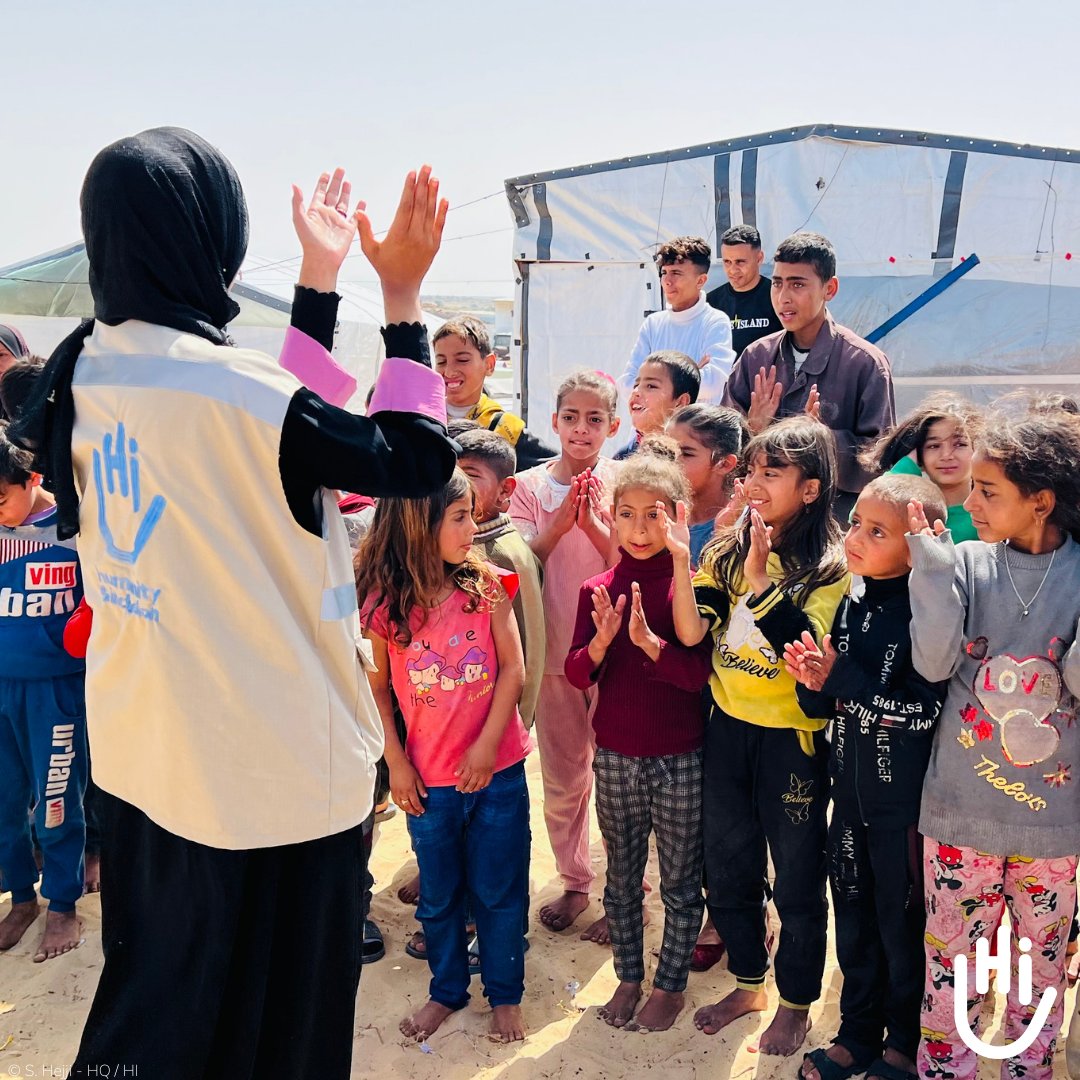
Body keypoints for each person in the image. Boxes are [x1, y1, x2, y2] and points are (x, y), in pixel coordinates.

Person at [10, 129, 457, 1080]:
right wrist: (404, 301)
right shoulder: (239, 391)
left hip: (144, 761)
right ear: (211, 235)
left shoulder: (80, 371)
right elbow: (414, 458)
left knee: (165, 995)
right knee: (281, 1017)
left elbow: (272, 426)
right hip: (274, 775)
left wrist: (322, 281)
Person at [906, 402, 1080, 1080]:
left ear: (1041, 501)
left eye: (988, 490)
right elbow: (935, 661)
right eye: (971, 486)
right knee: (954, 972)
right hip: (960, 820)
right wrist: (930, 565)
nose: (969, 500)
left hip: (1054, 831)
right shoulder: (967, 561)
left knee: (1041, 975)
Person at [667, 416, 850, 1057]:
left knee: (798, 877)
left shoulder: (832, 570)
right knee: (728, 864)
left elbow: (806, 653)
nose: (754, 483)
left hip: (791, 743)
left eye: (771, 472)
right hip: (728, 730)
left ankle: (795, 1001)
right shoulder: (726, 548)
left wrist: (762, 587)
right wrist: (685, 560)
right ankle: (749, 982)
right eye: (749, 471)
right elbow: (694, 634)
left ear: (810, 488)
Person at [785, 472, 949, 1080]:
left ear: (920, 543)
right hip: (847, 801)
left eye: (877, 532)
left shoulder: (926, 614)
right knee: (852, 920)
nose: (855, 536)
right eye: (856, 523)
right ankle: (856, 1033)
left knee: (902, 929)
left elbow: (921, 707)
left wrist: (843, 683)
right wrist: (813, 686)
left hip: (900, 811)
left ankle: (904, 1044)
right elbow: (835, 701)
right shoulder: (853, 599)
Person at [359, 469, 532, 1044]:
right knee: (438, 898)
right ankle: (447, 991)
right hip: (427, 785)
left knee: (500, 892)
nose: (474, 526)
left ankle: (505, 994)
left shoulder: (487, 585)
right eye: (459, 517)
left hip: (499, 775)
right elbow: (377, 689)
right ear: (418, 525)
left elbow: (514, 669)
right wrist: (397, 762)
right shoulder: (384, 606)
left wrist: (487, 747)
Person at [565, 454, 712, 1032]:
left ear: (676, 517)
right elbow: (578, 674)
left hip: (681, 756)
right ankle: (629, 975)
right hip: (618, 757)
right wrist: (600, 644)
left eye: (654, 515)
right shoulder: (596, 590)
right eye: (626, 515)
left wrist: (652, 644)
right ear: (610, 515)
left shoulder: (689, 586)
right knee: (622, 875)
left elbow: (696, 675)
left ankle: (669, 985)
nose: (640, 529)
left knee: (679, 879)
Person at [509, 369, 620, 939]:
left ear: (613, 426)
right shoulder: (529, 487)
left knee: (621, 776)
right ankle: (577, 880)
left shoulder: (625, 483)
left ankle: (624, 891)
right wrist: (557, 525)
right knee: (562, 776)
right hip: (553, 653)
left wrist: (599, 526)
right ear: (554, 423)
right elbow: (523, 561)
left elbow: (631, 559)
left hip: (617, 654)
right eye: (571, 418)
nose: (581, 429)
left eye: (594, 419)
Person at [721, 232, 895, 520]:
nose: (784, 297)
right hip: (761, 526)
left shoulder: (865, 364)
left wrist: (820, 442)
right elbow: (723, 451)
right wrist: (754, 430)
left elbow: (881, 462)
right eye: (777, 284)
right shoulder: (756, 358)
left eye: (798, 284)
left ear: (830, 289)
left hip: (831, 529)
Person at [0, 426, 87, 963]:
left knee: (56, 799)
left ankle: (62, 902)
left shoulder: (74, 529)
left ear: (33, 477)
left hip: (55, 691)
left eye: (1, 498)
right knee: (5, 801)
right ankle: (21, 896)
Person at [457, 427, 546, 726]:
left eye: (469, 476)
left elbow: (524, 648)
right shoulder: (490, 544)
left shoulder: (498, 556)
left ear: (506, 490)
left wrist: (516, 719)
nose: (458, 487)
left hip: (497, 726)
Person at [621, 237, 735, 404]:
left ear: (701, 281)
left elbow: (713, 383)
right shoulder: (653, 323)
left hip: (694, 428)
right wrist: (692, 374)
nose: (667, 281)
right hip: (650, 429)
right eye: (664, 272)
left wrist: (650, 383)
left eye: (676, 273)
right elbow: (626, 383)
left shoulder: (715, 321)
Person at [434, 315, 555, 471]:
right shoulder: (425, 419)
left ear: (489, 364)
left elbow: (557, 468)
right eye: (441, 362)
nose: (449, 372)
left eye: (462, 360)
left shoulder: (506, 429)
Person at [863, 393, 981, 542]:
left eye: (959, 444)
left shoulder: (987, 514)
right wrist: (905, 469)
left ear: (978, 449)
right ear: (919, 456)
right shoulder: (908, 511)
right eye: (933, 446)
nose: (946, 455)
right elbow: (862, 514)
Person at [666, 402, 746, 566]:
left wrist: (721, 534)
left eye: (686, 453)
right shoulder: (661, 515)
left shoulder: (742, 527)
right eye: (667, 451)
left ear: (724, 464)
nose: (671, 462)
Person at [706, 225, 783, 356]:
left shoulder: (779, 297)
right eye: (727, 262)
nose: (732, 270)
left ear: (759, 258)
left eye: (740, 262)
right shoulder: (710, 303)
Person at [615, 350, 700, 460]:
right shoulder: (624, 457)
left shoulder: (690, 458)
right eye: (636, 385)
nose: (636, 391)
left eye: (650, 386)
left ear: (680, 402)